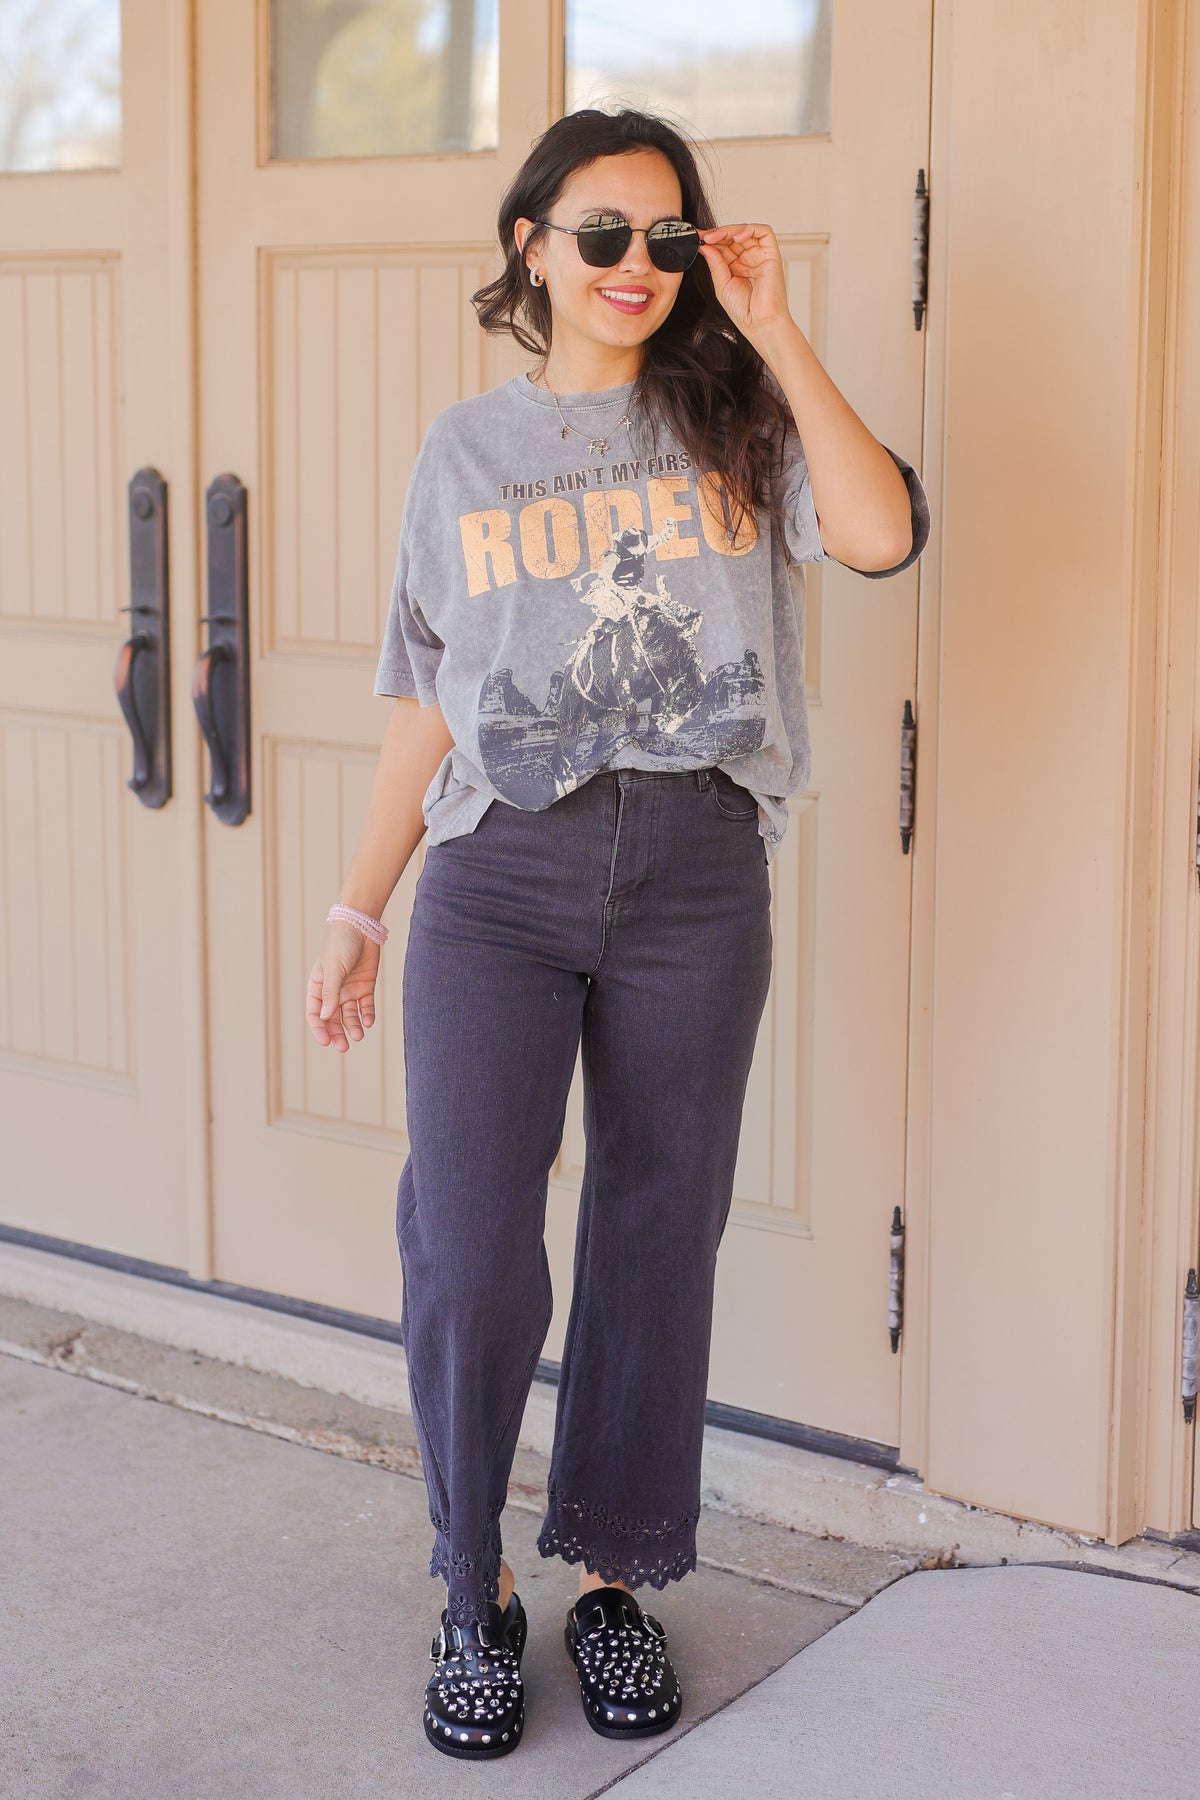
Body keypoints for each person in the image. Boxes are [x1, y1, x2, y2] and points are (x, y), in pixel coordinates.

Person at [305, 105, 931, 1763]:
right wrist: (358, 905)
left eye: (668, 240)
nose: (636, 268)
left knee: (660, 1226)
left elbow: (876, 535)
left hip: (694, 868)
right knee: (467, 1241)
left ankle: (612, 1580)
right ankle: (471, 1588)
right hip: (499, 877)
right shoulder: (466, 454)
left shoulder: (737, 417)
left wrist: (775, 323)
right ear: (534, 246)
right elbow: (426, 712)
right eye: (603, 236)